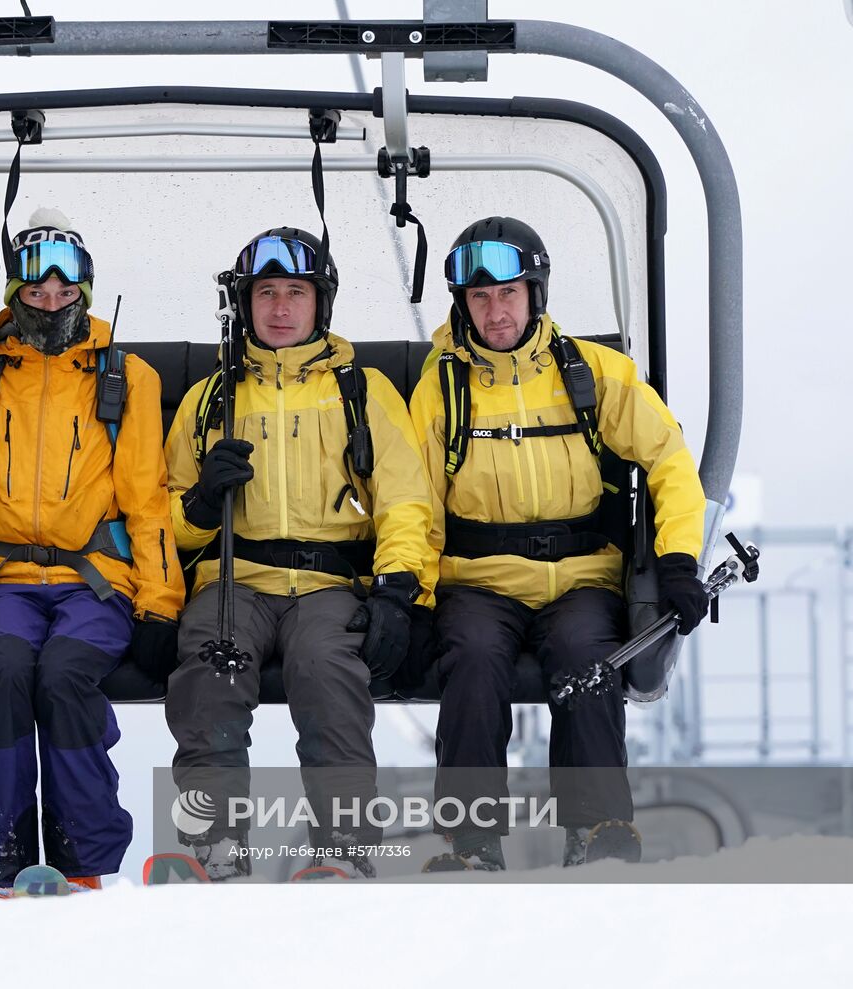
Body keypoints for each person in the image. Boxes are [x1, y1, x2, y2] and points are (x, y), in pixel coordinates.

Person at [409, 216, 709, 869]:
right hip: (479, 578)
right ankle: (471, 840)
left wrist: (680, 557)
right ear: (462, 304)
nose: (495, 312)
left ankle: (597, 828)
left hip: (579, 577)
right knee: (475, 658)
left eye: (508, 294)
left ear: (535, 292)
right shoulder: (443, 388)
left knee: (586, 658)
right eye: (479, 299)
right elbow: (415, 500)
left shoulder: (592, 374)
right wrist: (412, 590)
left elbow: (670, 462)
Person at [0, 209, 185, 891]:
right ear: (15, 294)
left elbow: (147, 499)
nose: (50, 304)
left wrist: (159, 603)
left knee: (65, 676)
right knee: (5, 672)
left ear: (85, 294)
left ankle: (85, 862)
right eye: (36, 293)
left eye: (64, 293)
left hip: (93, 579)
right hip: (1, 577)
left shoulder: (125, 376)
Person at [162, 227, 436, 880]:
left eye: (295, 293)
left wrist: (398, 587)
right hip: (237, 580)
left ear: (321, 304)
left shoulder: (360, 392)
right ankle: (216, 844)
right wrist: (201, 507)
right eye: (265, 293)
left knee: (325, 669)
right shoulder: (210, 401)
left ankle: (342, 847)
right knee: (210, 666)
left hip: (327, 582)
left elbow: (406, 500)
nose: (280, 308)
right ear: (246, 304)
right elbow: (159, 518)